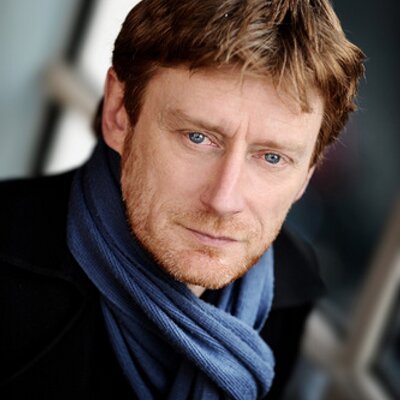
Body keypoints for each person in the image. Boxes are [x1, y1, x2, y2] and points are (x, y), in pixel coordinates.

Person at [0, 0, 364, 398]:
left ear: (307, 175)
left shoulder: (290, 291)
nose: (223, 199)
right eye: (198, 137)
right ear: (119, 113)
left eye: (272, 158)